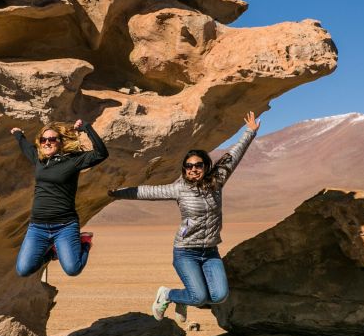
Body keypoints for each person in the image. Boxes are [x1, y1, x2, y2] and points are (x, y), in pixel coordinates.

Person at [108, 111, 261, 322]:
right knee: (198, 297)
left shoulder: (216, 181)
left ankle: (183, 299)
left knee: (219, 295)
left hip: (210, 251)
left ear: (206, 166)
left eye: (198, 165)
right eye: (189, 166)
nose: (194, 169)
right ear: (184, 169)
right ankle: (168, 294)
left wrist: (250, 132)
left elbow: (233, 156)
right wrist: (115, 193)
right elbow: (146, 192)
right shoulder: (178, 189)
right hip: (185, 251)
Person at [11, 119, 108, 278]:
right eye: (43, 140)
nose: (47, 143)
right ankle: (52, 253)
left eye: (52, 139)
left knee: (73, 269)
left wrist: (87, 128)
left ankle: (84, 243)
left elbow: (101, 153)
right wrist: (18, 135)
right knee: (23, 270)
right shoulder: (39, 159)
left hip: (65, 226)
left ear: (60, 142)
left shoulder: (73, 161)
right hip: (38, 227)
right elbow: (26, 147)